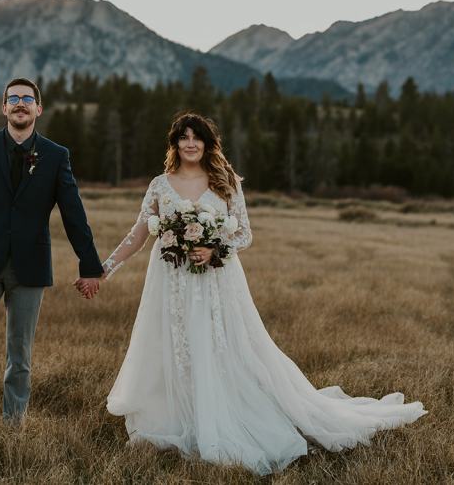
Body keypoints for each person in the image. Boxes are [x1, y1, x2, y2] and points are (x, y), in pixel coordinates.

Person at [95, 111, 428, 475]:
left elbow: (244, 234)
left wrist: (213, 249)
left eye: (196, 137)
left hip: (214, 282)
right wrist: (104, 268)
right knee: (178, 346)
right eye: (183, 137)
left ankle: (224, 416)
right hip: (171, 283)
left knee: (218, 346)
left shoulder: (225, 182)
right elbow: (138, 235)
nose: (190, 143)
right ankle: (179, 415)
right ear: (174, 144)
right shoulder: (160, 185)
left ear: (207, 143)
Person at [0, 77, 104, 426]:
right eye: (14, 98)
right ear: (4, 107)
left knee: (19, 353)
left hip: (30, 266)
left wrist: (90, 266)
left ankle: (12, 427)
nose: (21, 104)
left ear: (39, 108)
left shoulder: (56, 155)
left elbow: (74, 215)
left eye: (28, 99)